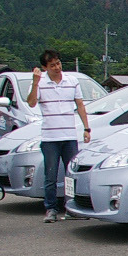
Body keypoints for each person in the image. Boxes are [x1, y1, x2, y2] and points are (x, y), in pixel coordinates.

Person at [26, 49, 90, 223]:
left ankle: (73, 208)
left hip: (69, 135)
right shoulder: (40, 83)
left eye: (58, 63)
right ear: (44, 67)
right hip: (50, 137)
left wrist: (86, 128)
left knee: (71, 174)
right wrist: (35, 82)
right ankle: (51, 208)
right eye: (52, 65)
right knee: (51, 175)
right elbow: (31, 102)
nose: (57, 67)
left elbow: (80, 105)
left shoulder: (72, 81)